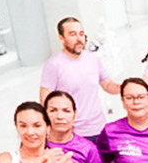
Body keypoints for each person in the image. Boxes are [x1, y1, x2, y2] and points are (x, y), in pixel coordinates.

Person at [38, 16, 118, 147]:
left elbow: (107, 85)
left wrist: (127, 87)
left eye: (81, 34)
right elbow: (45, 100)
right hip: (73, 134)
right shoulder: (53, 64)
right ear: (61, 37)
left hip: (99, 128)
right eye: (72, 34)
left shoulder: (93, 59)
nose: (79, 38)